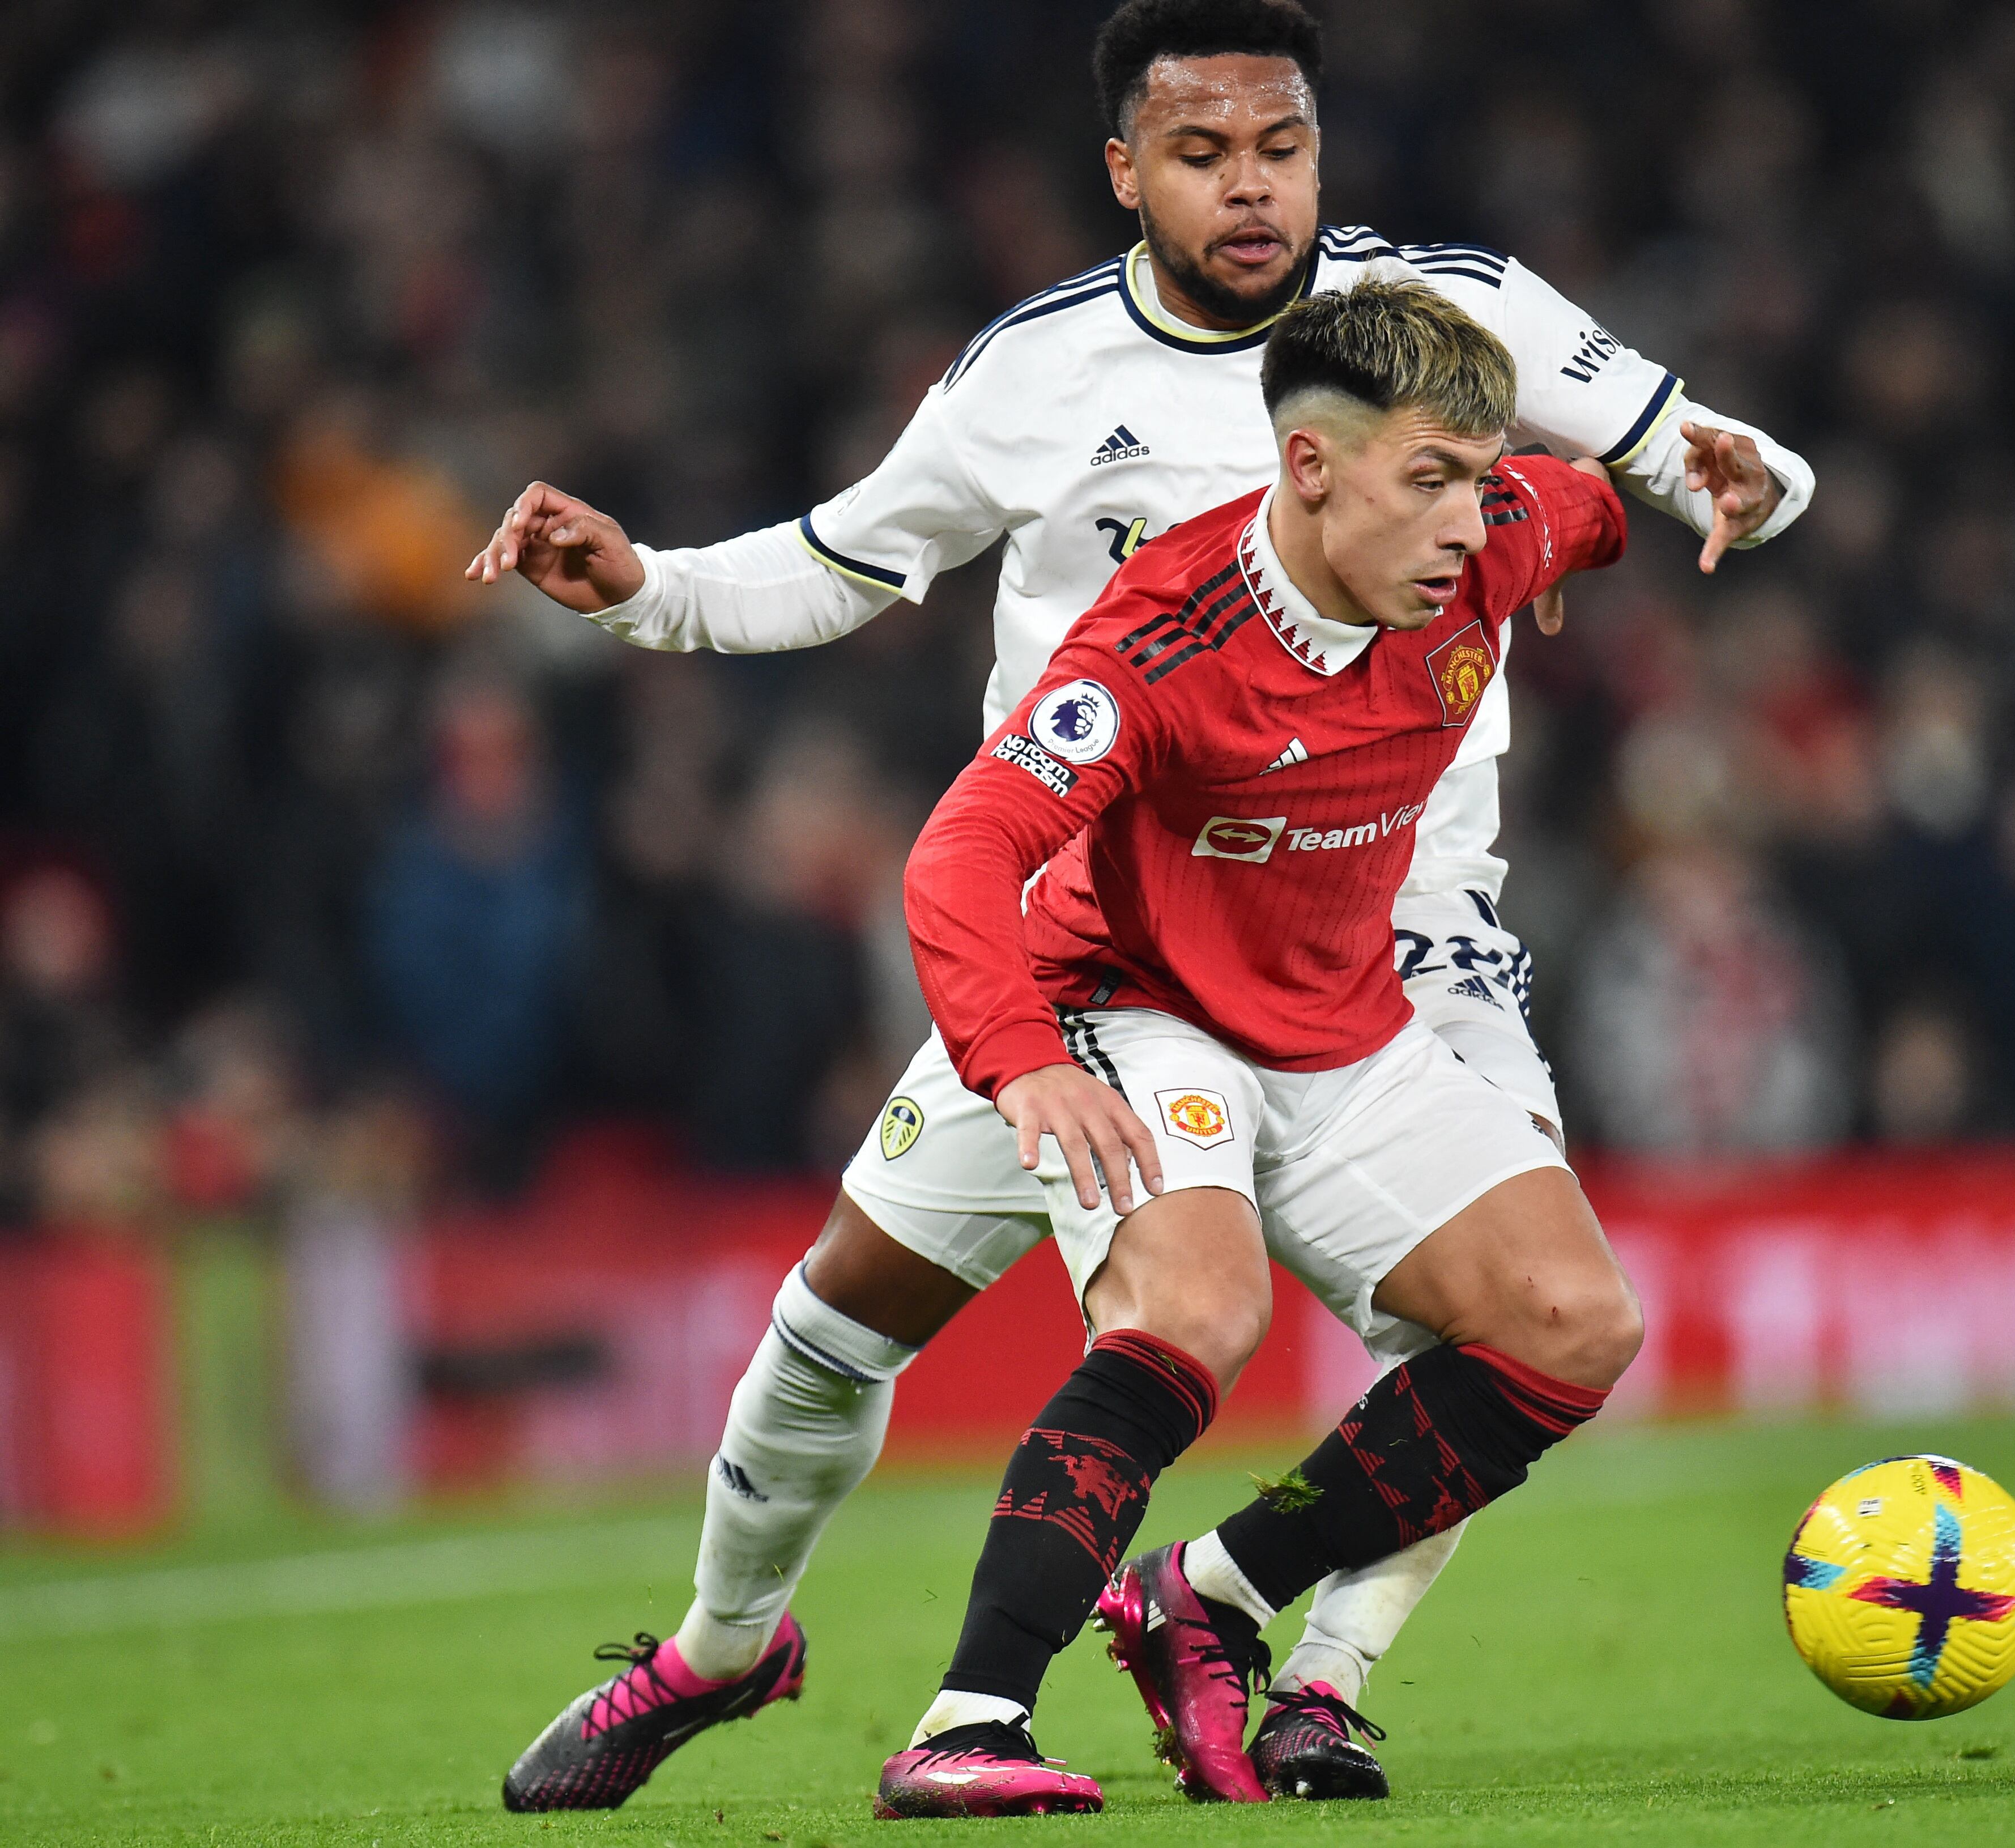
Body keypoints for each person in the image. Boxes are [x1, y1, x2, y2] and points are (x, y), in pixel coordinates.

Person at [486, 0, 1811, 1812]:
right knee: (841, 1320)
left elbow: (1675, 458)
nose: (1251, 188)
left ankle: (1308, 1677)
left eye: (1282, 148)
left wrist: (1745, 477)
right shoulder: (1031, 380)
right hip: (1092, 915)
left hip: (1401, 923)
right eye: (1203, 155)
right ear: (1125, 170)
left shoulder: (1453, 313)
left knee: (1487, 1322)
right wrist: (651, 591)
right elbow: (842, 560)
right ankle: (723, 1649)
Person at [877, 279, 1641, 1816]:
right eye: (1428, 482)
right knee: (1200, 1309)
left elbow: (1584, 503)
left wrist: (1619, 517)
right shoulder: (1165, 643)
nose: (1465, 524)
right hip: (1142, 1000)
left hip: (1343, 1021)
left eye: (1479, 485)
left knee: (1575, 1320)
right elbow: (961, 855)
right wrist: (1021, 1056)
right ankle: (968, 1722)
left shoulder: (1490, 545)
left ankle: (1212, 1592)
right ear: (1308, 468)